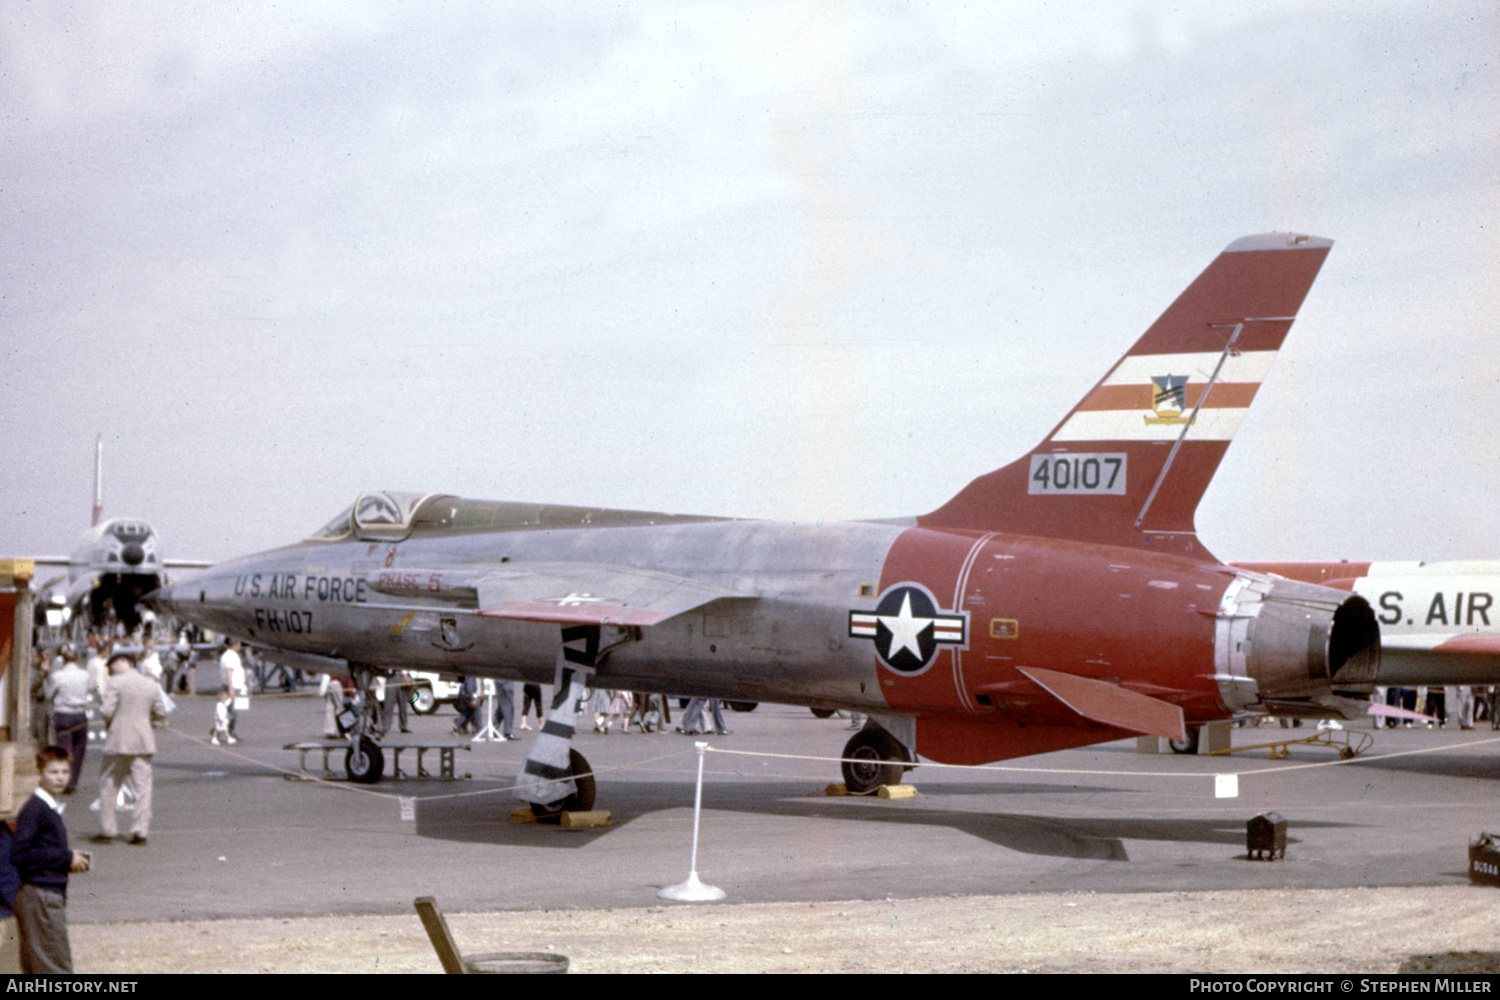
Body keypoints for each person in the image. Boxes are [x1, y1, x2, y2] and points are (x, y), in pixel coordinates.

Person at [12, 746, 90, 973]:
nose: (60, 778)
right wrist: (65, 856)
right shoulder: (37, 809)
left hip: (43, 894)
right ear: (39, 774)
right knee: (54, 967)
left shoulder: (48, 807)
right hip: (41, 897)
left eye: (64, 772)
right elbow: (19, 853)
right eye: (53, 772)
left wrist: (66, 861)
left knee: (39, 967)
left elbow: (38, 851)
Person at [95, 653, 167, 846]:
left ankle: (108, 830)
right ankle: (140, 831)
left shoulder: (115, 682)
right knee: (143, 788)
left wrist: (113, 721)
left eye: (112, 667)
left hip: (118, 741)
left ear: (122, 663)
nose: (110, 671)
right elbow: (161, 712)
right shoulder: (150, 683)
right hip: (143, 742)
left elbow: (106, 710)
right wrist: (144, 720)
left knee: (109, 785)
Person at [44, 648, 91, 795]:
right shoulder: (85, 675)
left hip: (63, 713)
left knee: (65, 750)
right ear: (76, 660)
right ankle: (73, 781)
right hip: (80, 713)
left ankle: (64, 780)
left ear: (63, 661)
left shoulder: (58, 676)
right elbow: (89, 689)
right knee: (79, 749)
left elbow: (49, 695)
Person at [220, 639, 248, 739]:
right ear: (235, 644)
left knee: (231, 711)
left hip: (235, 686)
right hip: (233, 686)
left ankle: (231, 731)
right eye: (239, 643)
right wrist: (231, 689)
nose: (240, 646)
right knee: (232, 711)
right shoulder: (231, 656)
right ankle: (221, 731)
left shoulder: (228, 655)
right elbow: (229, 672)